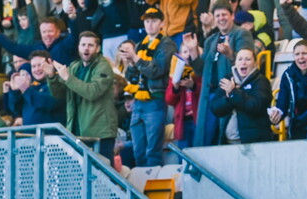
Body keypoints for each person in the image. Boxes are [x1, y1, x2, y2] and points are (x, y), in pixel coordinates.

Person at [188, 0, 252, 146]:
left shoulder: (241, 34)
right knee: (207, 138)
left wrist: (230, 54)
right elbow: (200, 71)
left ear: (232, 16)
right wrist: (193, 52)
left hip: (229, 95)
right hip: (209, 94)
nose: (221, 18)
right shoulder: (211, 40)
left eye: (224, 14)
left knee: (223, 138)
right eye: (217, 16)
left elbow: (248, 65)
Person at [47, 31, 118, 162]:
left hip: (100, 133)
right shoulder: (74, 66)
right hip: (77, 133)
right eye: (83, 44)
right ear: (78, 47)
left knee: (103, 174)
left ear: (98, 48)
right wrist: (51, 77)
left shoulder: (103, 66)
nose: (86, 48)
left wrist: (67, 77)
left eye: (90, 45)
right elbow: (60, 94)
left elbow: (93, 92)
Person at [121, 8, 176, 167]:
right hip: (138, 102)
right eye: (147, 21)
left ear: (162, 23)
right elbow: (130, 77)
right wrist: (131, 63)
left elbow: (156, 70)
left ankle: (152, 187)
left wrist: (136, 59)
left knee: (152, 151)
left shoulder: (167, 44)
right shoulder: (139, 45)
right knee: (138, 151)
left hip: (155, 100)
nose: (150, 25)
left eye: (153, 21)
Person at [210, 48, 272, 144]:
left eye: (248, 59)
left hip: (253, 143)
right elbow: (215, 108)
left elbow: (256, 106)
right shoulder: (228, 79)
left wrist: (234, 93)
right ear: (235, 63)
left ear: (255, 64)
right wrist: (228, 97)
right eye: (240, 59)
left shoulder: (261, 81)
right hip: (228, 142)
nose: (243, 63)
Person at [5, 50, 65, 126]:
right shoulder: (32, 87)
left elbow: (50, 102)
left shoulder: (58, 83)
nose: (36, 69)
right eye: (33, 66)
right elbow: (16, 109)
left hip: (51, 136)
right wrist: (15, 92)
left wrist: (25, 89)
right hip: (30, 136)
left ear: (49, 64)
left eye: (40, 65)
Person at [269, 40, 307, 140]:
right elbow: (282, 103)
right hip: (298, 127)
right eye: (297, 54)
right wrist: (277, 115)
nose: (301, 57)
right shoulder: (288, 75)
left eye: (304, 53)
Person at [165, 41, 201, 149]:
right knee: (184, 152)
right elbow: (169, 100)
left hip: (197, 119)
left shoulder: (199, 72)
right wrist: (175, 88)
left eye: (191, 51)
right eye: (185, 52)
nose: (188, 54)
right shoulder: (175, 74)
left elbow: (204, 93)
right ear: (180, 55)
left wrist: (193, 86)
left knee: (198, 150)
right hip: (182, 120)